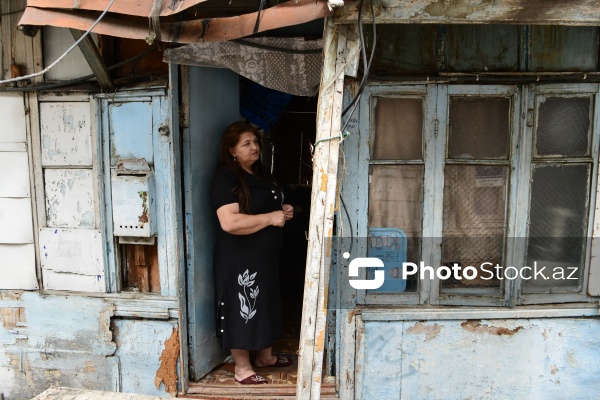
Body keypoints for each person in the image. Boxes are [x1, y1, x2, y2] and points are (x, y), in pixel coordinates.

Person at [209, 121, 295, 385]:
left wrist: (285, 208)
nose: (254, 147)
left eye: (255, 142)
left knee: (266, 304)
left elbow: (269, 204)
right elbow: (230, 222)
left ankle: (265, 357)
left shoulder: (261, 174)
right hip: (240, 259)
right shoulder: (226, 178)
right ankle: (242, 368)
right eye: (246, 143)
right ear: (232, 150)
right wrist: (270, 218)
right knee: (243, 308)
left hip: (264, 257)